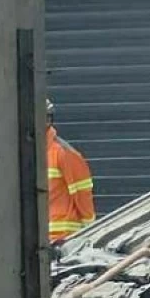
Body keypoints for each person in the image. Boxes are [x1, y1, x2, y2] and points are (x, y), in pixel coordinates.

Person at [46, 100, 96, 244]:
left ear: (48, 120)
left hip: (62, 239)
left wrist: (91, 232)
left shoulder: (64, 153)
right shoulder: (25, 154)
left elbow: (83, 195)